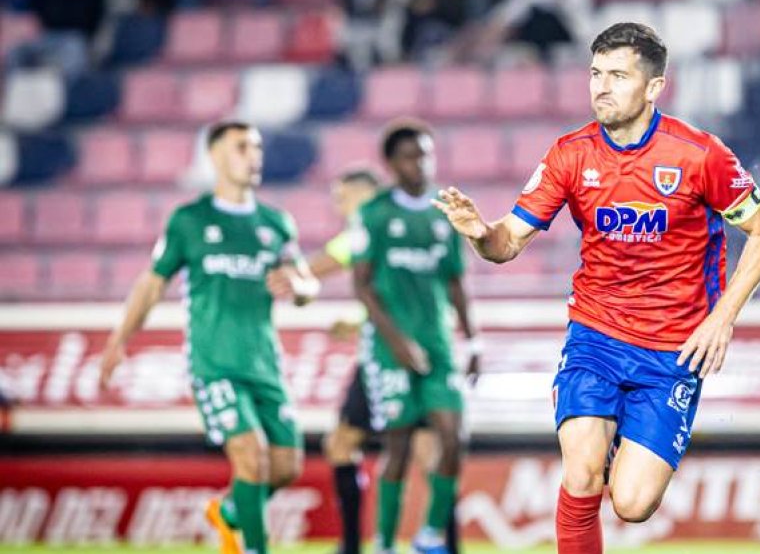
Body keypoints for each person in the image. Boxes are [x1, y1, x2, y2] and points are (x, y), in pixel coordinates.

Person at [432, 22, 760, 554]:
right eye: (595, 73)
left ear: (653, 86)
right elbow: (507, 243)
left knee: (633, 504)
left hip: (674, 348)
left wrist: (723, 317)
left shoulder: (700, 155)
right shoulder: (570, 155)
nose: (600, 86)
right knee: (581, 473)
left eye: (618, 76)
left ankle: (626, 436)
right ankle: (599, 440)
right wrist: (482, 233)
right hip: (596, 336)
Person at [98, 120, 321, 554]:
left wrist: (298, 288)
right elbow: (152, 284)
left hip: (263, 365)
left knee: (286, 467)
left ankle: (232, 512)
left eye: (257, 147)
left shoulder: (276, 224)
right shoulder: (190, 220)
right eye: (242, 147)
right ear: (215, 155)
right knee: (250, 454)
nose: (253, 155)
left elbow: (307, 283)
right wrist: (119, 339)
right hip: (214, 364)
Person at [305, 168, 464, 554]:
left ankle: (355, 546)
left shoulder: (367, 227)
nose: (340, 207)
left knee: (352, 445)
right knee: (424, 452)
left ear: (365, 195)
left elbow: (319, 266)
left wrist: (284, 275)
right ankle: (437, 543)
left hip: (393, 356)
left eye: (344, 198)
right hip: (403, 350)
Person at [349, 121, 479, 554]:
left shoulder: (444, 213)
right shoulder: (375, 214)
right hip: (390, 347)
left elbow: (457, 283)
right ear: (390, 164)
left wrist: (473, 341)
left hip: (438, 345)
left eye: (425, 154)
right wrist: (398, 343)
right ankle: (384, 542)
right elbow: (362, 285)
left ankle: (428, 537)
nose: (420, 163)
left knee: (454, 436)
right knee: (399, 444)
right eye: (410, 156)